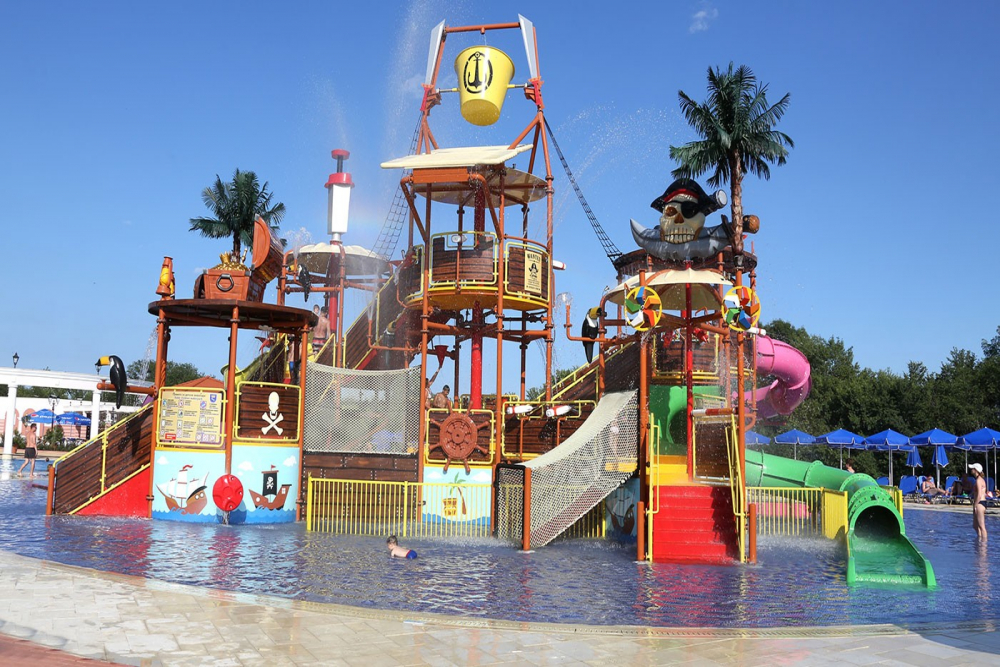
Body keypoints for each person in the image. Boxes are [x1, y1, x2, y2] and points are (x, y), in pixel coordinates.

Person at [970, 463, 988, 541]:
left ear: (976, 470)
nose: (971, 470)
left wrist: (975, 505)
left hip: (980, 503)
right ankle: (980, 540)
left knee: (981, 526)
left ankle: (984, 543)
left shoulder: (979, 481)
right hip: (980, 502)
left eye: (972, 469)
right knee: (975, 525)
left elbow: (980, 495)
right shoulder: (980, 480)